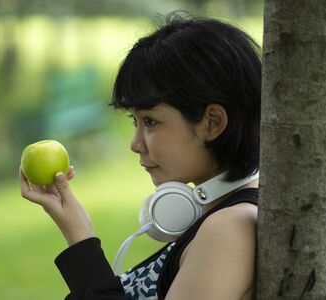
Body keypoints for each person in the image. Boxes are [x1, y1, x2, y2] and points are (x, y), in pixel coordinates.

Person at [19, 11, 261, 300]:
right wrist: (76, 229)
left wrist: (82, 241)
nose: (135, 144)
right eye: (135, 122)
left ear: (213, 122)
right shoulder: (217, 217)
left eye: (150, 121)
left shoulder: (229, 231)